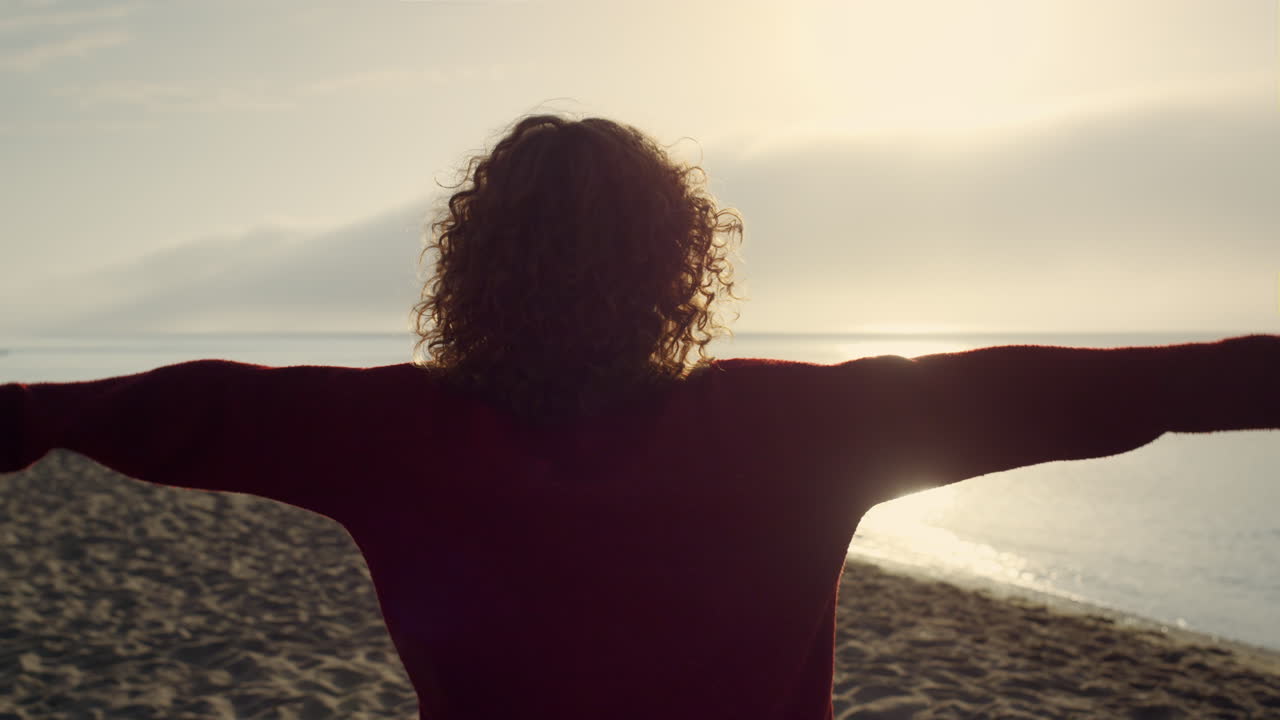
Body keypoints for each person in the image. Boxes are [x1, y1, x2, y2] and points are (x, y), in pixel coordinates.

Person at [1, 114, 1277, 720]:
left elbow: (138, 409)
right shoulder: (810, 427)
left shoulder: (376, 434)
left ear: (467, 268)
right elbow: (1131, 387)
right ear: (683, 269)